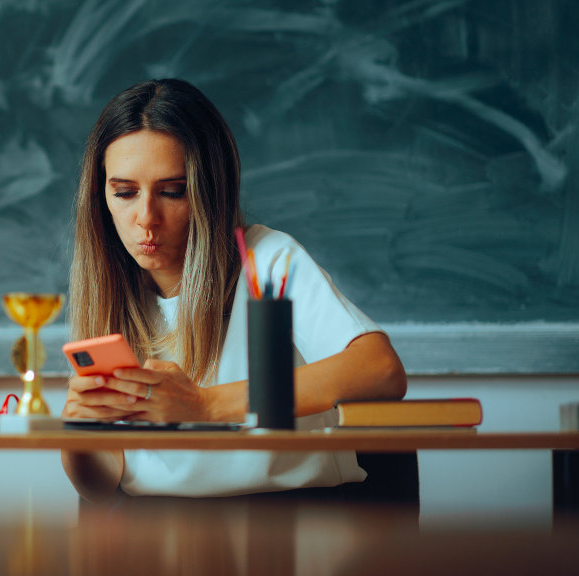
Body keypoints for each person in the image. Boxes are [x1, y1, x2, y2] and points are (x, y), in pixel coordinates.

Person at [61, 79, 407, 502]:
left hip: (292, 528)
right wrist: (78, 436)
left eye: (173, 191)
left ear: (210, 191)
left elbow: (381, 371)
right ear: (102, 197)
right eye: (125, 192)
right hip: (152, 532)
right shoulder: (107, 292)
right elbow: (101, 484)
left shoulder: (267, 261)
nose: (146, 218)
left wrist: (204, 406)